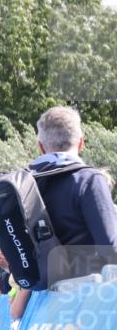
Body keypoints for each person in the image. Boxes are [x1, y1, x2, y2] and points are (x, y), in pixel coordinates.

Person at [9, 106, 117, 316]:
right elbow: (110, 249)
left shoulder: (24, 186)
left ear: (40, 146)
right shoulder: (89, 180)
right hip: (85, 308)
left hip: (39, 310)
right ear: (81, 142)